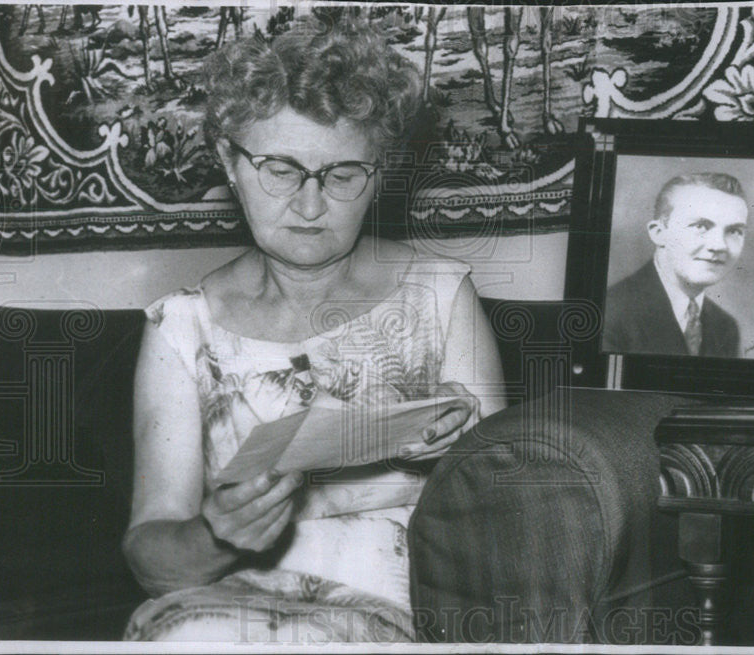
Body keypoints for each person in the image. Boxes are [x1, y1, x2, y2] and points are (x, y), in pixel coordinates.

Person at [121, 17, 505, 643]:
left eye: (343, 175)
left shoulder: (440, 295)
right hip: (220, 615)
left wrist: (463, 458)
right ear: (229, 160)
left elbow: (506, 529)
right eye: (279, 169)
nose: (308, 205)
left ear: (380, 172)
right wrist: (215, 534)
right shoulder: (180, 328)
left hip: (413, 612)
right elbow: (152, 565)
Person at [602, 173, 748, 357]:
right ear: (659, 233)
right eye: (701, 226)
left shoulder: (726, 327)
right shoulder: (607, 314)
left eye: (734, 231)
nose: (719, 245)